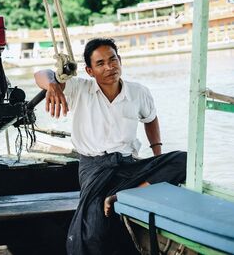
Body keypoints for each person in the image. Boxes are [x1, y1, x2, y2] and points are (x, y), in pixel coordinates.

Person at [34, 38, 186, 255]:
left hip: (128, 166)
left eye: (113, 60)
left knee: (183, 159)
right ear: (89, 70)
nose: (109, 67)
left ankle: (127, 195)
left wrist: (157, 155)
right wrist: (52, 84)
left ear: (120, 60)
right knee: (92, 234)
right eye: (101, 63)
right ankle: (123, 196)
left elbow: (150, 118)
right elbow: (40, 73)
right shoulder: (80, 89)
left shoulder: (138, 92)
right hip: (95, 169)